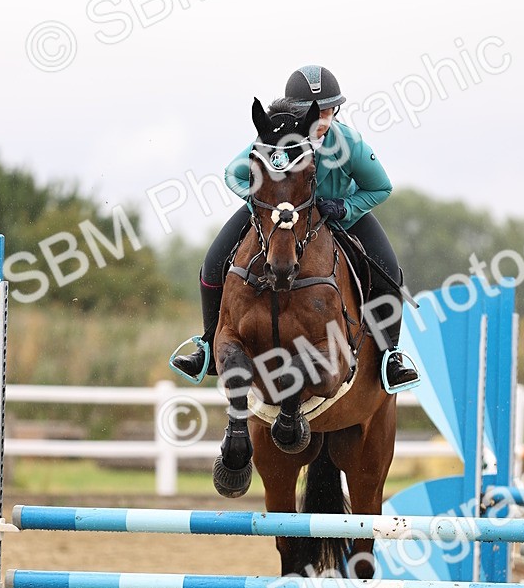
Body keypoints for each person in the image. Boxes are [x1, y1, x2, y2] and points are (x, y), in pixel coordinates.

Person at [173, 65, 419, 391]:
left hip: (339, 213)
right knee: (213, 263)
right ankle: (206, 345)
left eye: (326, 112)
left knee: (390, 273)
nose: (319, 122)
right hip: (276, 216)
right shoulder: (276, 140)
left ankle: (391, 355)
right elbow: (233, 173)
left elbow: (381, 187)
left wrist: (346, 208)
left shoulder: (350, 142)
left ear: (335, 112)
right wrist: (260, 207)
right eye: (310, 114)